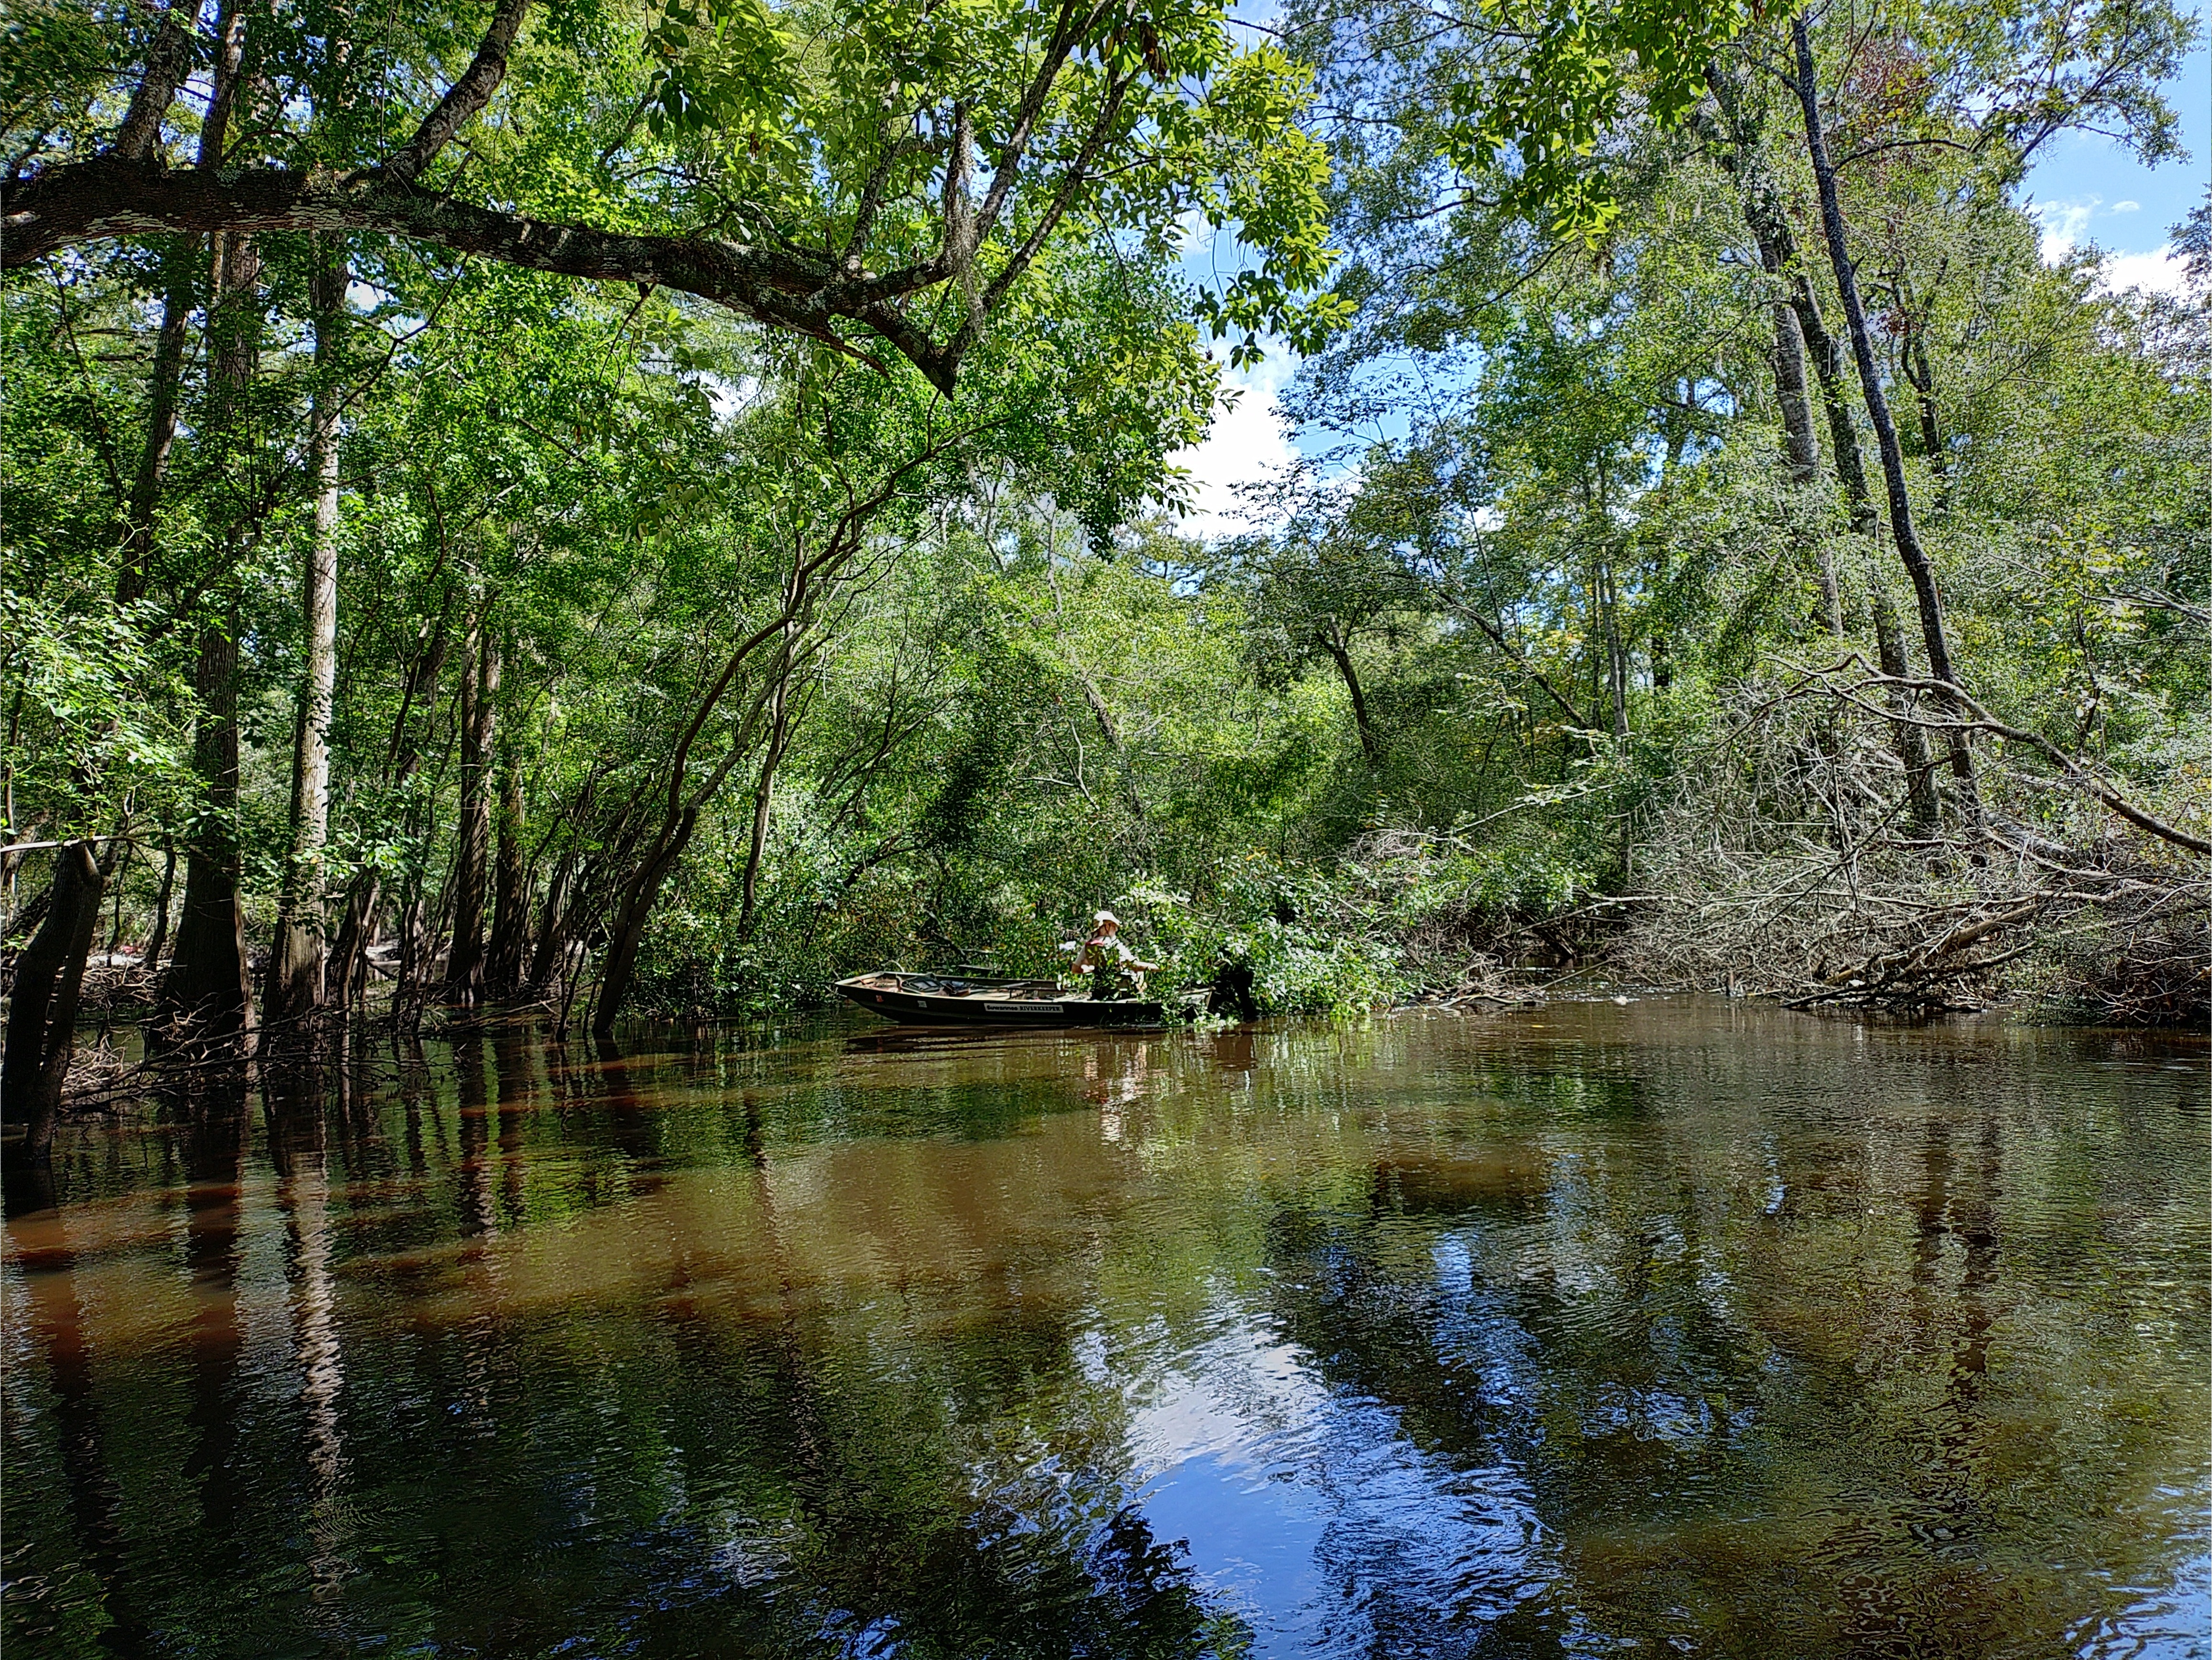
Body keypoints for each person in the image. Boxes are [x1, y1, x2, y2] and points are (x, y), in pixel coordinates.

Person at [1062, 910, 1158, 1001]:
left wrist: (1097, 969)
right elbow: (1133, 966)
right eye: (1114, 926)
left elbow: (1076, 969)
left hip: (1101, 992)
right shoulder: (1113, 944)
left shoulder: (1089, 945)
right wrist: (1159, 967)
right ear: (1107, 926)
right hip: (1124, 992)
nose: (1116, 929)